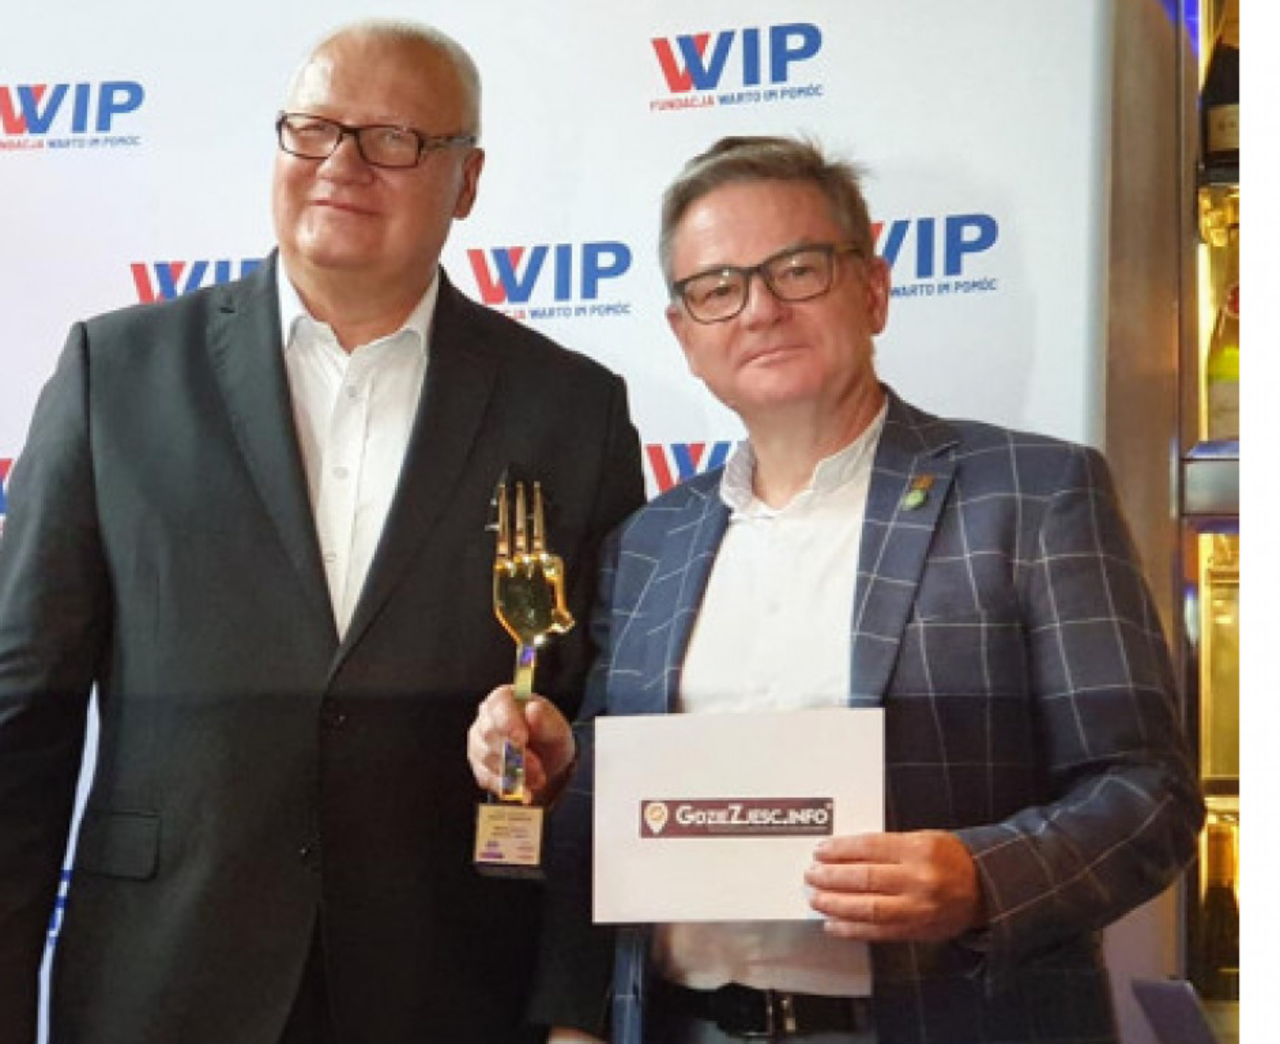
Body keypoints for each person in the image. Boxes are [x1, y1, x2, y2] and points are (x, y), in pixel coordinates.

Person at [468, 135, 1204, 1044]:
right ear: (685, 334)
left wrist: (982, 879)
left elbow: (1148, 795)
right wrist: (557, 772)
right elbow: (617, 828)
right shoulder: (648, 544)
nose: (760, 309)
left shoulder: (1032, 494)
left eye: (798, 270)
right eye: (718, 287)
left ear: (873, 290)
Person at [0, 18, 644, 1044]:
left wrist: (573, 1008)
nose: (342, 164)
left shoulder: (569, 410)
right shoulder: (113, 377)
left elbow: (607, 726)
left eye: (393, 139)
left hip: (451, 985)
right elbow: (21, 712)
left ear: (468, 181)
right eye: (313, 129)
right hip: (162, 979)